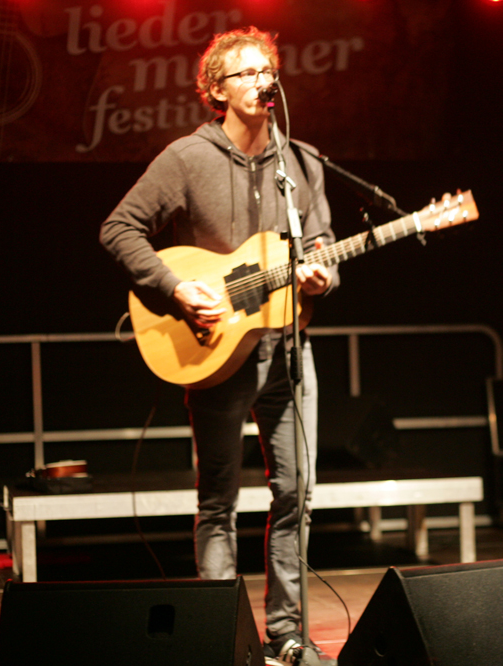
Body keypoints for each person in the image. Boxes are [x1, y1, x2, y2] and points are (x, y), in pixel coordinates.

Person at [100, 27, 339, 663]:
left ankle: (287, 632)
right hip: (215, 348)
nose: (263, 81)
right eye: (247, 72)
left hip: (288, 348)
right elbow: (119, 228)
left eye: (269, 70)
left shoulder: (302, 161)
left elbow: (322, 245)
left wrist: (324, 273)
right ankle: (222, 637)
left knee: (297, 495)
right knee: (219, 499)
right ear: (215, 89)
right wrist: (176, 287)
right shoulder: (187, 158)